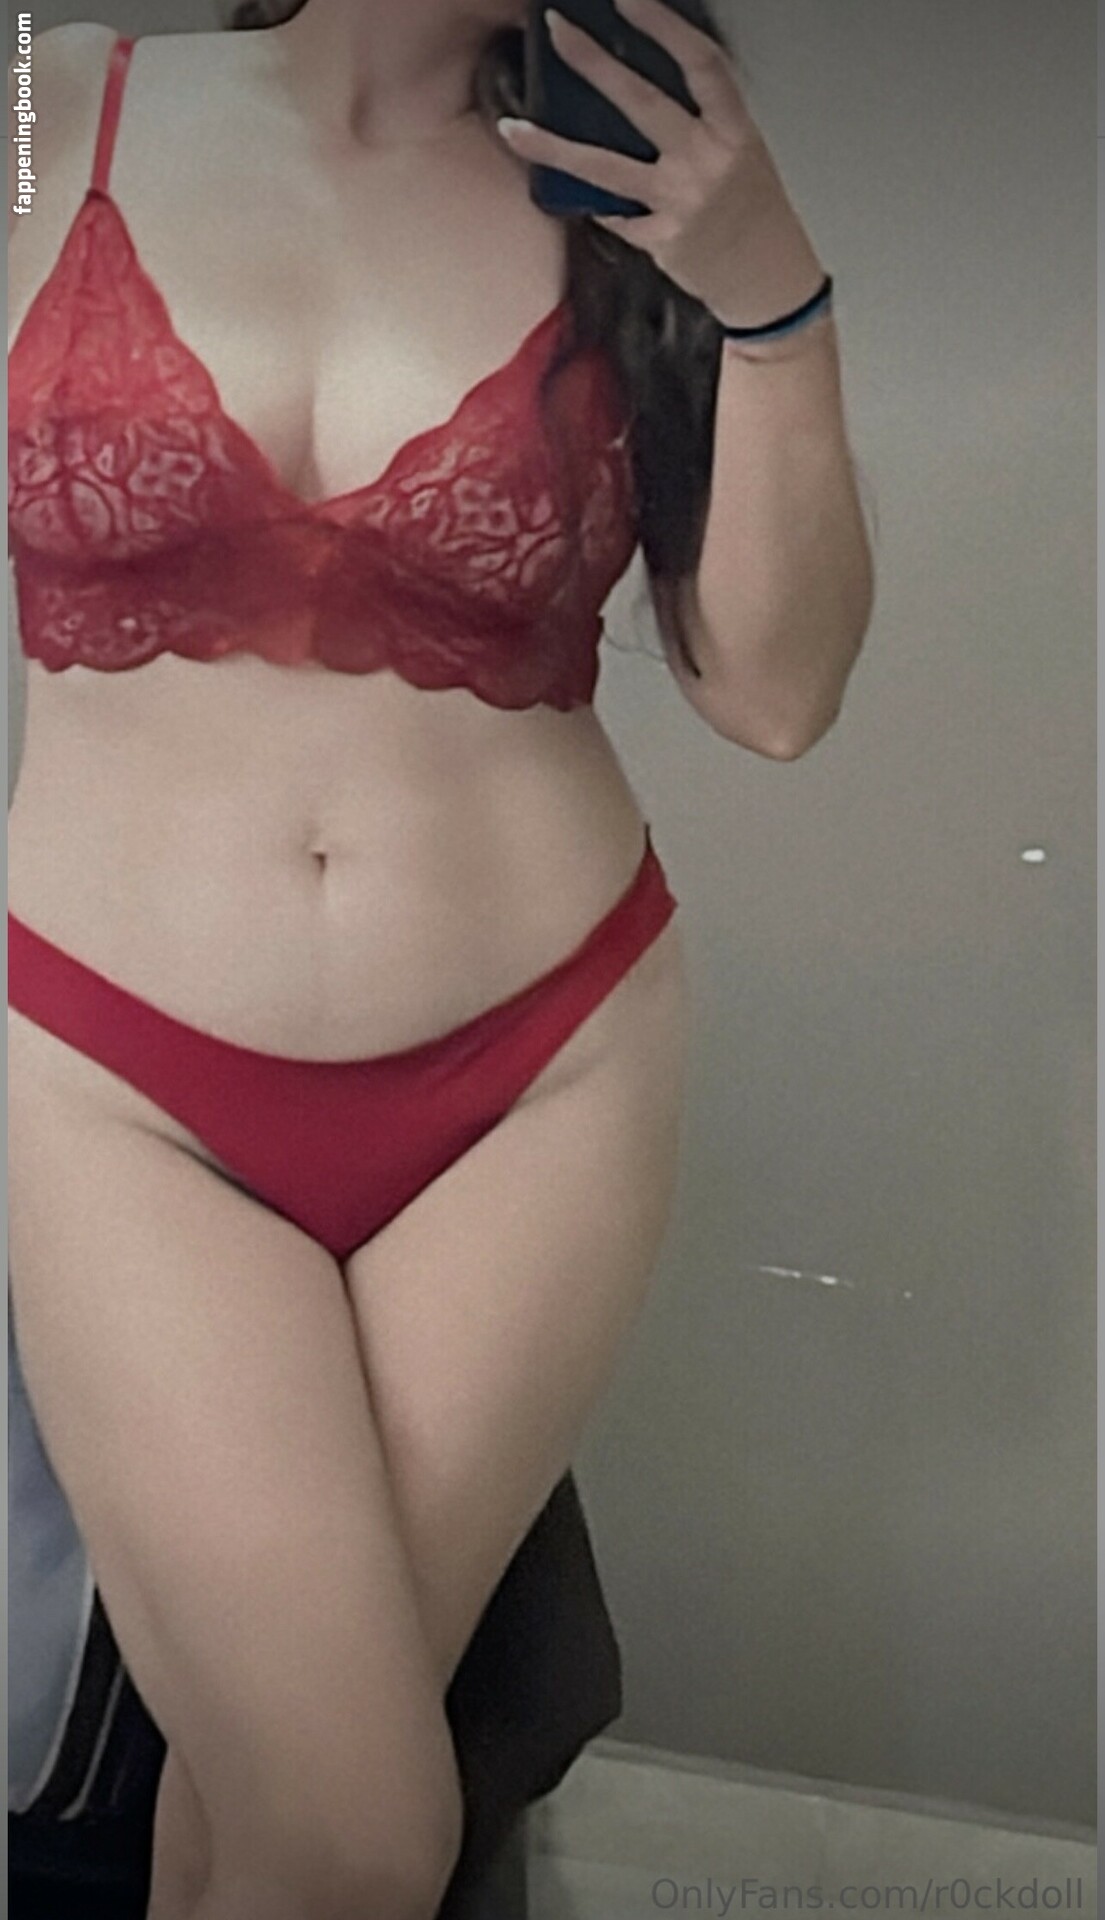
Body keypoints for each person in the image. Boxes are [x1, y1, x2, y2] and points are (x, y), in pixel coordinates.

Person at [7, 2, 872, 1915]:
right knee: (353, 1829)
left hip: (539, 1085)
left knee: (265, 1813)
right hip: (118, 1084)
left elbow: (778, 692)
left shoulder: (643, 178)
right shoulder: (41, 98)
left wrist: (774, 302)